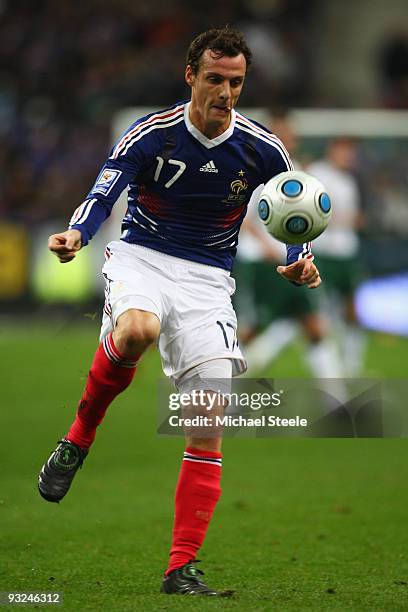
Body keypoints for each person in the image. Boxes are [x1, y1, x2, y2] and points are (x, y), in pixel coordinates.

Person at [37, 27, 321, 596]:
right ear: (190, 75)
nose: (225, 92)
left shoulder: (262, 147)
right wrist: (77, 233)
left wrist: (300, 259)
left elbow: (293, 210)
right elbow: (105, 190)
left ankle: (180, 569)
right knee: (138, 328)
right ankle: (79, 437)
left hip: (209, 280)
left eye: (236, 82)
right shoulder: (153, 133)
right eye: (214, 79)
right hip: (143, 257)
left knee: (208, 423)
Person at [235, 111, 343, 377]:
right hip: (263, 262)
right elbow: (244, 219)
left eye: (291, 135)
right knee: (252, 329)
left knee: (314, 326)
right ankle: (220, 386)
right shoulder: (255, 170)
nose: (288, 140)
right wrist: (269, 247)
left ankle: (336, 399)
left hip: (294, 262)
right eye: (282, 134)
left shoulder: (299, 172)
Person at [307, 137, 365, 376]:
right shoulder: (317, 174)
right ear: (332, 150)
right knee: (319, 310)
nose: (348, 157)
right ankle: (327, 361)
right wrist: (341, 219)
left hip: (347, 252)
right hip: (323, 253)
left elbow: (355, 216)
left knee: (352, 308)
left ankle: (352, 364)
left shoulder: (349, 180)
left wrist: (354, 220)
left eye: (351, 152)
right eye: (344, 151)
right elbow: (313, 209)